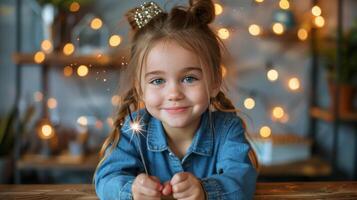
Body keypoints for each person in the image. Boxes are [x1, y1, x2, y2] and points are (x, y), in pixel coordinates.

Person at [94, 0, 257, 199]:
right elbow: (105, 179)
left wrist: (205, 191)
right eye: (157, 80)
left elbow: (243, 181)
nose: (174, 94)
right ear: (140, 88)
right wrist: (132, 190)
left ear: (215, 82)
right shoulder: (134, 129)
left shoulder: (227, 129)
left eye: (189, 78)